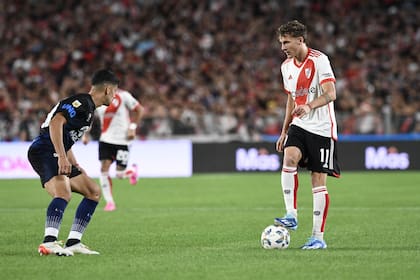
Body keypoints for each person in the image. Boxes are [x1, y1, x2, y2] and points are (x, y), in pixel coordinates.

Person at [27, 69, 120, 256]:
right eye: (115, 91)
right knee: (63, 191)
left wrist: (73, 162)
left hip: (56, 150)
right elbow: (56, 123)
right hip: (44, 148)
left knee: (92, 191)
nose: (115, 96)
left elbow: (66, 137)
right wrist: (61, 156)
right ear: (108, 90)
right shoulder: (81, 103)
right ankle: (49, 242)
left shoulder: (89, 109)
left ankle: (73, 242)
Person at [273, 20, 340, 250]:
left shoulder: (319, 60)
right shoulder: (286, 67)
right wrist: (283, 131)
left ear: (300, 40)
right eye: (281, 42)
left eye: (286, 42)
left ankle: (317, 238)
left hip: (321, 128)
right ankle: (291, 214)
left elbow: (331, 93)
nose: (283, 47)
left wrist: (310, 106)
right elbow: (291, 98)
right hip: (299, 124)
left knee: (317, 181)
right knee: (289, 157)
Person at [82, 88, 144, 211]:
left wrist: (132, 127)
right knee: (104, 168)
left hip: (123, 139)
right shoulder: (97, 99)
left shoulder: (124, 96)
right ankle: (110, 203)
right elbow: (90, 117)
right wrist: (85, 134)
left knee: (119, 174)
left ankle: (131, 171)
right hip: (105, 139)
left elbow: (139, 109)